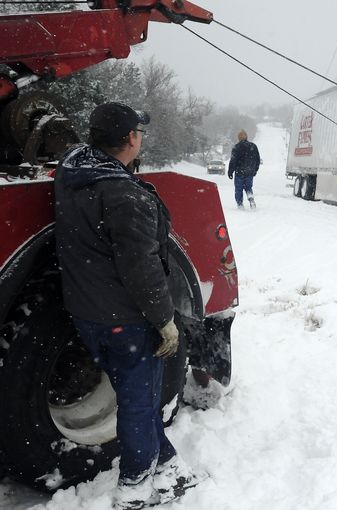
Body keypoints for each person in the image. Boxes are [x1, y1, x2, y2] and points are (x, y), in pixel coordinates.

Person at [54, 102, 200, 509]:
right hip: (125, 320)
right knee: (138, 404)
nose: (141, 139)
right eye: (139, 132)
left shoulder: (73, 171)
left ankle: (166, 462)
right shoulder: (124, 194)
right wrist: (165, 321)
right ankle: (134, 489)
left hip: (88, 313)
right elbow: (142, 269)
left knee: (140, 395)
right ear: (131, 139)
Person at [228, 129, 260, 209]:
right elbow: (257, 159)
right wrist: (255, 170)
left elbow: (233, 160)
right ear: (246, 137)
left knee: (239, 189)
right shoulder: (253, 146)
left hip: (239, 172)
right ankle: (251, 198)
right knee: (248, 187)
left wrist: (230, 171)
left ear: (239, 138)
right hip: (249, 172)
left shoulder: (236, 147)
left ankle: (240, 204)